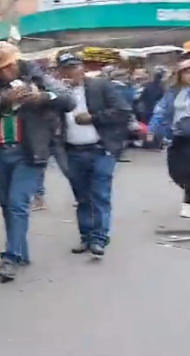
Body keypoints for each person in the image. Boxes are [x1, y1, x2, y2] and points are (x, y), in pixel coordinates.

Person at [0, 41, 74, 283]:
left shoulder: (39, 78)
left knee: (18, 203)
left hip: (30, 151)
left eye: (6, 67)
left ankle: (10, 257)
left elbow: (68, 100)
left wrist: (42, 97)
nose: (2, 73)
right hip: (1, 153)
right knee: (6, 204)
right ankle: (21, 252)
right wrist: (2, 100)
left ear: (16, 62)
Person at [56, 52, 131, 257]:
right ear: (60, 72)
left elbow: (123, 111)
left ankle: (99, 238)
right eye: (66, 68)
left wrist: (94, 118)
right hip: (73, 151)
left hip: (101, 149)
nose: (71, 72)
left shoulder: (101, 86)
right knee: (82, 198)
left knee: (100, 195)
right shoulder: (59, 94)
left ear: (82, 68)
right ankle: (86, 236)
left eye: (75, 66)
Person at [148, 60, 190, 218]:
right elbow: (160, 110)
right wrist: (152, 129)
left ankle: (188, 202)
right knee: (176, 171)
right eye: (187, 71)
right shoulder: (173, 92)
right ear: (180, 74)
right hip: (177, 135)